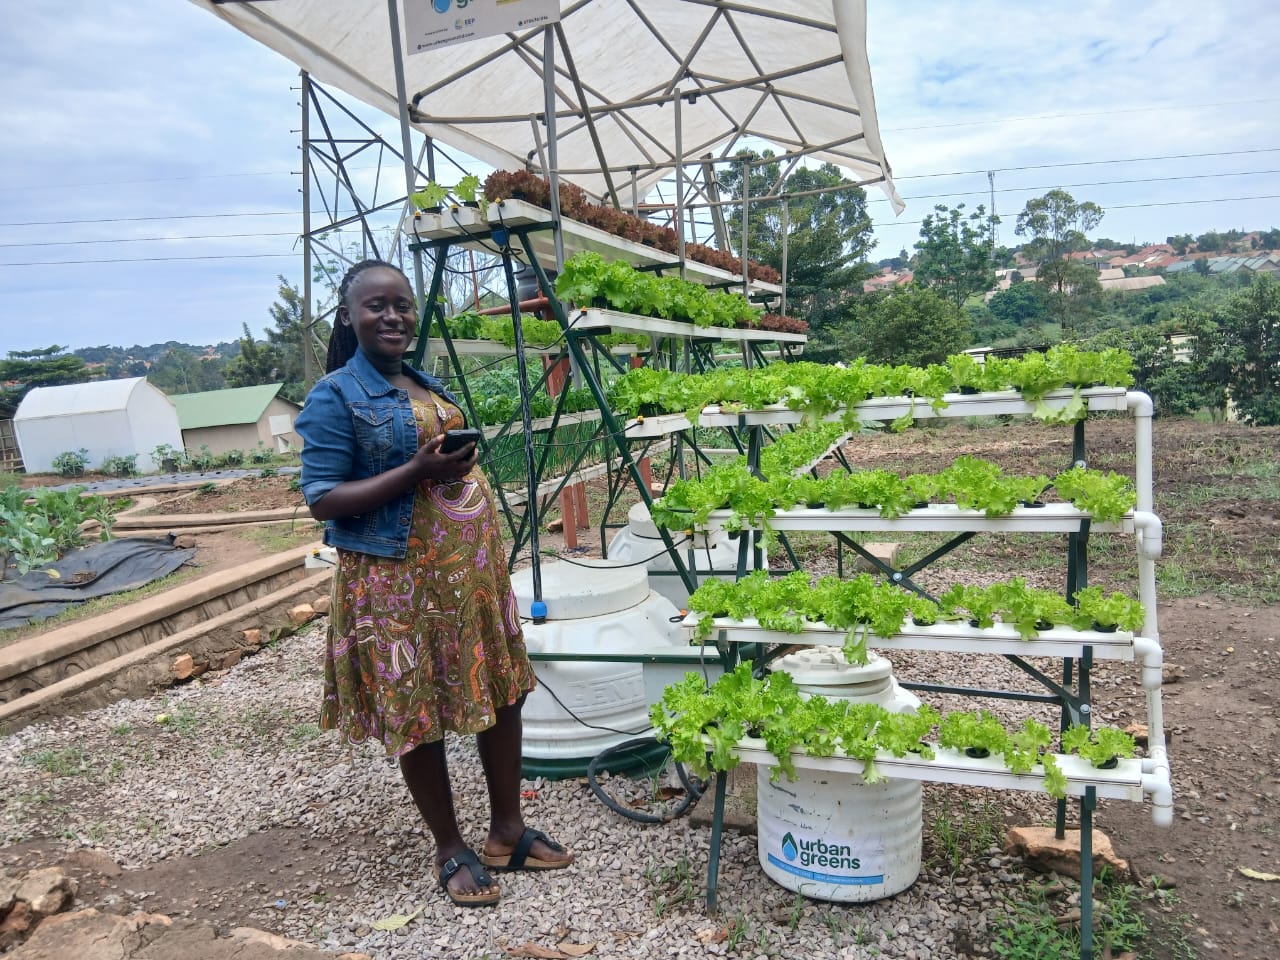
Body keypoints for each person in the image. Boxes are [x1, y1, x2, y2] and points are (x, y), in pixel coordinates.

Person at [295, 259, 572, 908]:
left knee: (502, 693)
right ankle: (450, 846)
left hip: (469, 579)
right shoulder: (334, 396)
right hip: (398, 586)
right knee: (420, 711)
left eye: (403, 306)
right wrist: (419, 471)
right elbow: (324, 498)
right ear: (348, 316)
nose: (393, 317)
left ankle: (507, 831)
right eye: (376, 306)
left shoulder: (422, 382)